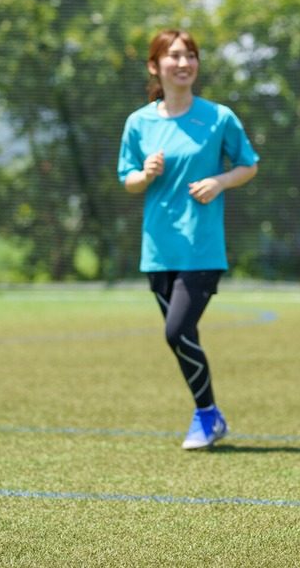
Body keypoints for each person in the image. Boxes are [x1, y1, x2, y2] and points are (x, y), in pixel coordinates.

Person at [118, 29, 259, 450]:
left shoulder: (218, 117)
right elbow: (128, 180)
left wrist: (219, 180)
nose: (185, 63)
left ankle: (206, 414)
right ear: (154, 66)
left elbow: (248, 164)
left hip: (202, 248)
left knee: (176, 332)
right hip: (158, 251)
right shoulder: (138, 123)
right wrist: (144, 175)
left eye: (191, 56)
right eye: (175, 56)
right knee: (184, 337)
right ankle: (210, 416)